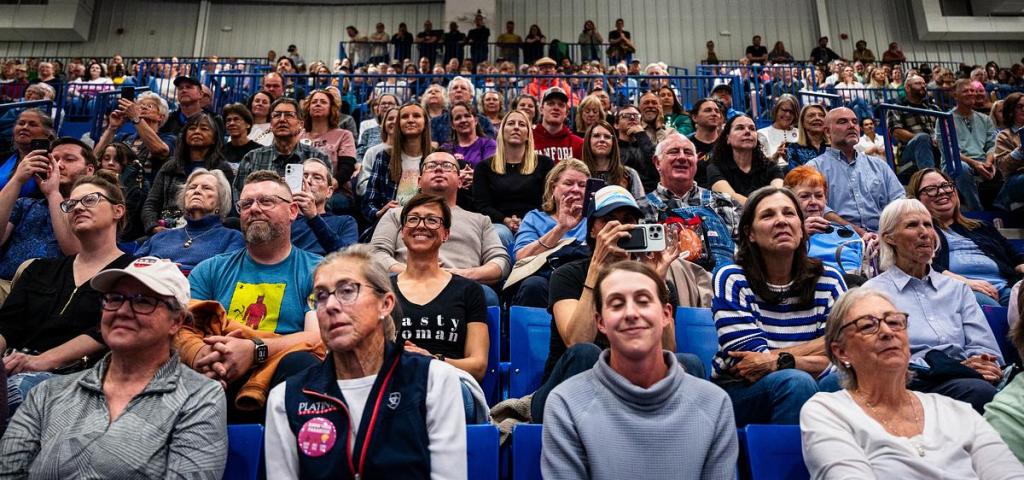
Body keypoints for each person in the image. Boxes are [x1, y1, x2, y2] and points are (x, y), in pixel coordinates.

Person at [0, 257, 228, 478]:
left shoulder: (199, 397)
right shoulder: (47, 394)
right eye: (115, 298)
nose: (122, 310)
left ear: (176, 321)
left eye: (143, 301)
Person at [264, 244, 466, 478]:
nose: (330, 305)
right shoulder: (286, 397)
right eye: (320, 296)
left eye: (347, 290)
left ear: (385, 304)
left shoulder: (434, 381)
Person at [542, 260, 738, 480]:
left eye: (643, 301)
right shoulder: (566, 403)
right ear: (601, 322)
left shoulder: (714, 404)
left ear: (666, 315)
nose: (631, 313)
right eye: (616, 304)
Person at [800, 287, 1024, 477]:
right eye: (868, 326)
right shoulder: (828, 411)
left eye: (895, 322)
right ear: (841, 352)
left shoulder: (957, 411)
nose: (887, 332)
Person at [534, 185, 709, 422]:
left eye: (628, 220)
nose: (620, 228)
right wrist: (596, 268)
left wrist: (656, 286)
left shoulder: (651, 280)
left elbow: (667, 351)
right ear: (593, 230)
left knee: (688, 363)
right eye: (609, 221)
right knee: (586, 353)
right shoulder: (568, 274)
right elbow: (576, 340)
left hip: (631, 388)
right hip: (564, 394)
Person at [181, 170, 324, 421]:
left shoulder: (318, 271)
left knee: (302, 362)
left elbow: (315, 338)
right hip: (216, 371)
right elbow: (183, 328)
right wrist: (204, 357)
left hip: (282, 379)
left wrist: (254, 350)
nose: (254, 209)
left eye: (266, 201)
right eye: (246, 204)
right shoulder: (210, 269)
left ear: (292, 211)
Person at [712, 187, 848, 426]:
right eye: (768, 216)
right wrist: (825, 345)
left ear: (802, 227)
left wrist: (781, 360)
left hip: (811, 378)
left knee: (843, 380)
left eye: (789, 213)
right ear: (750, 233)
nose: (781, 221)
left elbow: (850, 353)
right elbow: (751, 363)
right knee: (795, 383)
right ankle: (789, 464)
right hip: (742, 391)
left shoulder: (829, 279)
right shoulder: (732, 278)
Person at [0, 174, 134, 408]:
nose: (78, 207)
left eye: (90, 200)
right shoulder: (39, 269)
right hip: (14, 366)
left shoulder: (133, 272)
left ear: (118, 211)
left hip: (79, 377)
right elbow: (6, 325)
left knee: (21, 390)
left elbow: (104, 331)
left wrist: (42, 361)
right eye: (71, 204)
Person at [863, 199, 1004, 412]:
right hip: (907, 382)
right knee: (980, 393)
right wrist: (948, 368)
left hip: (965, 379)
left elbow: (985, 346)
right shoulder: (872, 293)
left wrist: (982, 361)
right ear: (889, 238)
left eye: (928, 225)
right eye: (912, 225)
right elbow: (877, 357)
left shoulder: (958, 289)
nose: (925, 233)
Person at [372, 151, 509, 306]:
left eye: (447, 166)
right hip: (405, 283)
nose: (439, 169)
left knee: (486, 295)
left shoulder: (480, 220)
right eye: (431, 166)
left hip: (462, 287)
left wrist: (462, 274)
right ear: (419, 181)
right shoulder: (396, 214)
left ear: (460, 181)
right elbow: (376, 253)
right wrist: (412, 271)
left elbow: (500, 262)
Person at [391, 193, 489, 381]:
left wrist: (433, 361)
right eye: (413, 219)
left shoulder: (469, 290)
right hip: (395, 384)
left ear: (445, 234)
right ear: (402, 232)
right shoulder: (383, 289)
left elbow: (478, 365)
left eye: (432, 220)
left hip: (451, 383)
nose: (421, 225)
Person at [909, 168, 1023, 307]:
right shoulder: (920, 232)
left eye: (945, 186)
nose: (942, 192)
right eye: (931, 189)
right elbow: (924, 266)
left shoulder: (981, 227)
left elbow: (1015, 258)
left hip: (1005, 287)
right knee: (989, 307)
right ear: (917, 199)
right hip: (960, 290)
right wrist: (965, 282)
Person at [0, 138, 98, 296]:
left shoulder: (92, 208)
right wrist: (17, 180)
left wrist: (53, 193)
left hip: (51, 293)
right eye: (54, 159)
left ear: (89, 170)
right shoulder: (25, 204)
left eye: (69, 159)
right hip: (4, 286)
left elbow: (74, 251)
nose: (58, 165)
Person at [639, 133, 739, 271]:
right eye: (673, 152)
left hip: (722, 288)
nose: (682, 157)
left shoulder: (723, 202)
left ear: (696, 161)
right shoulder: (640, 208)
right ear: (657, 163)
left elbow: (745, 253)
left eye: (688, 153)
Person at [808, 107, 904, 234]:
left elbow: (899, 201)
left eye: (855, 122)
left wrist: (884, 235)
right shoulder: (814, 168)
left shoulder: (880, 166)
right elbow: (818, 209)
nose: (851, 126)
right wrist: (861, 234)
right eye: (843, 122)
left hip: (884, 237)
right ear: (827, 132)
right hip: (838, 241)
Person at [510, 160, 591, 306]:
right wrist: (561, 229)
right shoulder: (534, 218)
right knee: (533, 285)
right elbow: (521, 257)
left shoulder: (595, 219)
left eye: (583, 185)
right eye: (568, 183)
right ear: (553, 187)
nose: (576, 189)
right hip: (544, 283)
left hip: (583, 281)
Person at [473, 110, 555, 249]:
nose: (516, 127)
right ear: (502, 131)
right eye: (511, 123)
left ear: (528, 134)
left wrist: (528, 221)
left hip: (537, 222)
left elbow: (549, 200)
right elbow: (482, 205)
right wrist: (505, 220)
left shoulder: (545, 164)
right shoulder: (484, 167)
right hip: (498, 224)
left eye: (522, 124)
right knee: (501, 235)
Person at [136, 169, 243, 273]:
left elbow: (225, 276)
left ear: (220, 201)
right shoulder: (160, 237)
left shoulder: (232, 238)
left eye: (206, 188)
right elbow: (131, 268)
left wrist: (171, 272)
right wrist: (153, 267)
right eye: (192, 187)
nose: (197, 191)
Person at [143, 112, 233, 235]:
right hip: (165, 230)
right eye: (192, 128)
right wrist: (153, 227)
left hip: (206, 231)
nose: (197, 131)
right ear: (185, 135)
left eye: (204, 128)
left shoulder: (222, 169)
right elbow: (151, 203)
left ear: (214, 139)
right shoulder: (170, 167)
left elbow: (227, 207)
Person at [784, 166, 870, 276]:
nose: (813, 202)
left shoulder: (846, 233)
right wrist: (801, 234)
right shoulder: (785, 234)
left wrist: (870, 245)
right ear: (789, 200)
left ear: (826, 200)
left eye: (819, 196)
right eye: (805, 196)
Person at [235, 98, 330, 196]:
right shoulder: (252, 158)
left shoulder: (318, 157)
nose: (282, 119)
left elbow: (325, 201)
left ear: (300, 124)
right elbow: (239, 197)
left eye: (289, 115)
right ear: (271, 124)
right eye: (276, 115)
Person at [364, 103, 432, 221]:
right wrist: (379, 212)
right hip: (391, 221)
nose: (410, 120)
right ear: (398, 124)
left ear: (425, 123)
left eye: (416, 116)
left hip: (427, 221)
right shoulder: (384, 157)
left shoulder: (436, 157)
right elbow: (369, 202)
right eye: (405, 117)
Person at [708, 115, 785, 206]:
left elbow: (777, 195)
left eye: (752, 129)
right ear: (728, 138)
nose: (748, 131)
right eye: (740, 128)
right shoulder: (715, 167)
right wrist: (763, 208)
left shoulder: (771, 166)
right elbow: (731, 198)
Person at [290, 158, 358, 255]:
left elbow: (347, 258)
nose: (308, 181)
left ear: (329, 192)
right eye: (304, 176)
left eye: (317, 177)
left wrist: (313, 217)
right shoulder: (285, 219)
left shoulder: (345, 222)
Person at [299, 89, 357, 194]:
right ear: (308, 108)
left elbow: (347, 168)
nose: (318, 104)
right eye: (314, 102)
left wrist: (329, 186)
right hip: (300, 188)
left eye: (323, 102)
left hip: (334, 190)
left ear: (331, 109)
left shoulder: (344, 135)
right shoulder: (298, 135)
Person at [581, 122, 644, 198]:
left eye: (607, 137)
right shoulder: (578, 173)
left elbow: (641, 205)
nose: (602, 140)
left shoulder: (629, 174)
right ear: (588, 140)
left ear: (613, 143)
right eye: (596, 136)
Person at [429, 77, 496, 146]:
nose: (458, 90)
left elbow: (489, 147)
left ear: (471, 97)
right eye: (455, 88)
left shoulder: (484, 122)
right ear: (448, 95)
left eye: (463, 88)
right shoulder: (435, 122)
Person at [533, 87, 583, 163]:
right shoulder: (528, 140)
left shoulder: (578, 144)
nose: (556, 108)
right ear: (541, 109)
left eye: (561, 105)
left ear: (566, 113)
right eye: (551, 104)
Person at [441, 101, 497, 168]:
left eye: (467, 116)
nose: (463, 120)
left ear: (476, 120)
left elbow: (489, 171)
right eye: (458, 118)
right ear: (452, 125)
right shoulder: (445, 148)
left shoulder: (489, 144)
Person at [993, 92, 1023, 212]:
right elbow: (1003, 167)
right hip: (1016, 179)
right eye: (1020, 107)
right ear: (1011, 111)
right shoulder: (1004, 135)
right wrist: (1020, 150)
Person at [758, 94, 799, 165]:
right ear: (776, 110)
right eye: (784, 110)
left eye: (791, 112)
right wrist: (775, 157)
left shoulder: (800, 133)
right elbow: (760, 165)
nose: (788, 115)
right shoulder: (762, 133)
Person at [786, 103, 828, 171]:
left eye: (821, 115)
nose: (817, 118)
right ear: (803, 123)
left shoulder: (834, 146)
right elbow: (796, 175)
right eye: (811, 116)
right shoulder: (794, 148)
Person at [222, 103, 262, 172]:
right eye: (228, 120)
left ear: (248, 124)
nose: (231, 123)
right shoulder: (220, 151)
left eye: (236, 119)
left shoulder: (260, 151)